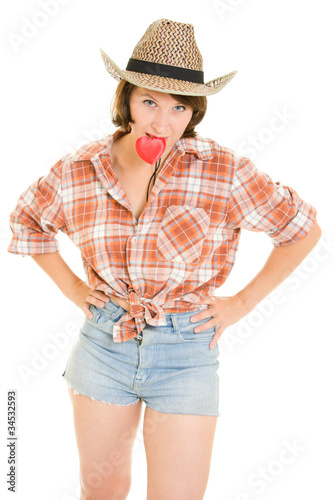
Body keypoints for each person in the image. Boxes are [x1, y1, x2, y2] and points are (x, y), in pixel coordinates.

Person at [7, 18, 321, 500]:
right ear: (126, 99)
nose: (161, 122)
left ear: (193, 113)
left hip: (187, 351)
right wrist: (72, 289)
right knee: (102, 491)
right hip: (103, 343)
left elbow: (301, 230)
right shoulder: (79, 170)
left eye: (179, 107)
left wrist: (242, 303)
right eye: (149, 101)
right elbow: (27, 220)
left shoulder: (222, 171)